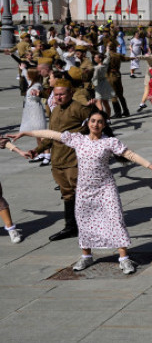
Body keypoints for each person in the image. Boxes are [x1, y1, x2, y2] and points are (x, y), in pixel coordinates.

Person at [16, 109, 152, 274]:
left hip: (106, 188)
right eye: (93, 121)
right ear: (88, 123)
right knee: (84, 222)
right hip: (84, 190)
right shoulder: (78, 139)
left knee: (116, 219)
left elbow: (131, 155)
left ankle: (124, 258)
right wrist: (25, 133)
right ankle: (86, 256)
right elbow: (51, 134)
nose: (96, 124)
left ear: (104, 125)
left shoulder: (110, 142)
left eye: (100, 121)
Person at [27, 79, 94, 241]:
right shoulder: (55, 110)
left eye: (62, 94)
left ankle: (90, 225)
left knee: (82, 192)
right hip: (57, 160)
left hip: (74, 159)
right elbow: (51, 135)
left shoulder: (78, 108)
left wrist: (82, 133)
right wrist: (37, 150)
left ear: (70, 93)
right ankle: (71, 227)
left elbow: (97, 121)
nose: (58, 97)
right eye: (56, 94)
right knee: (67, 194)